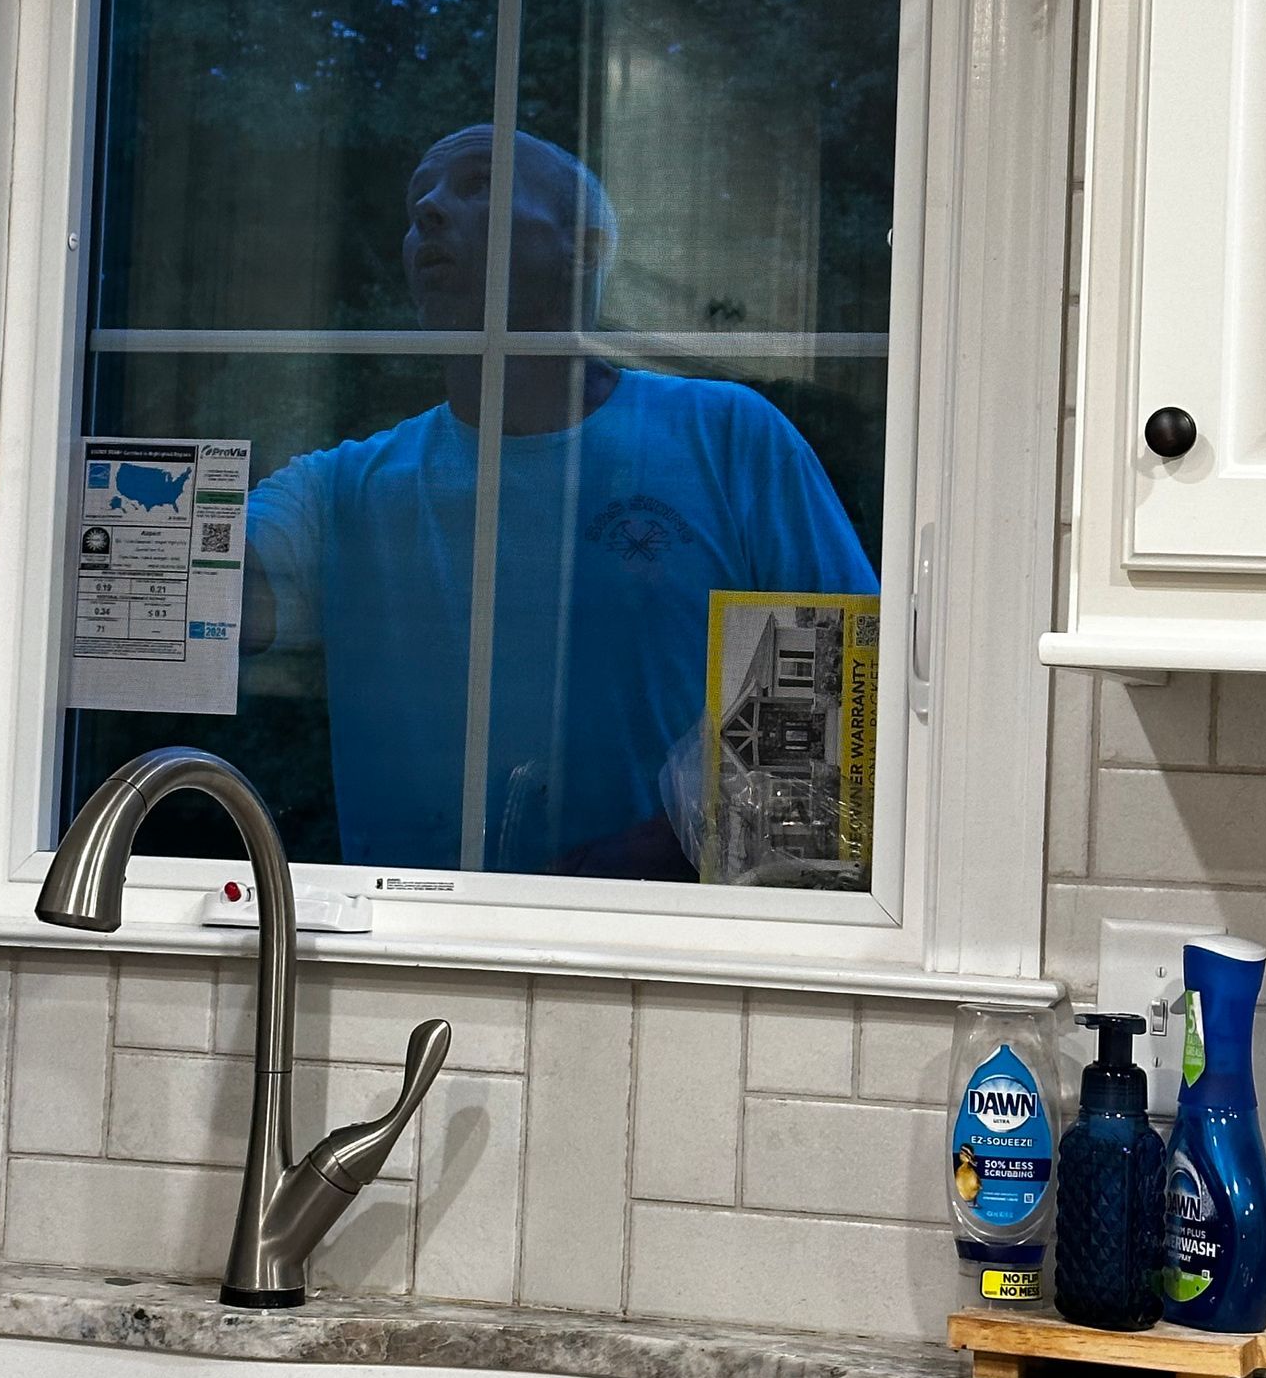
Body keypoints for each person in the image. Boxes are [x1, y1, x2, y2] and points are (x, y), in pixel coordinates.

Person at [243, 123, 877, 878]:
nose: (429, 214)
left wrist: (657, 856)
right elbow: (191, 601)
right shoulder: (343, 492)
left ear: (583, 248)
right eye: (418, 203)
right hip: (414, 952)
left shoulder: (729, 438)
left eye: (479, 185)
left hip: (679, 954)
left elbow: (835, 707)